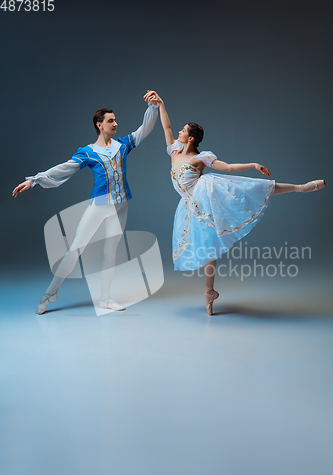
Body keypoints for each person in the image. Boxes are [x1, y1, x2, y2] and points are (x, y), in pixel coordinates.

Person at [144, 90, 326, 315]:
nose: (179, 132)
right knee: (209, 249)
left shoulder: (200, 158)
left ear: (191, 138)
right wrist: (161, 104)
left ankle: (300, 187)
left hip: (206, 194)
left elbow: (228, 167)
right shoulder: (174, 152)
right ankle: (209, 292)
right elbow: (166, 127)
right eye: (181, 130)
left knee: (250, 189)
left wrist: (253, 164)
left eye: (183, 130)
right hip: (190, 206)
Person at [12, 97, 159, 314]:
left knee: (111, 252)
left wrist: (153, 107)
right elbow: (64, 168)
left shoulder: (123, 144)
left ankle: (106, 298)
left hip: (121, 206)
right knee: (75, 249)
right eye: (111, 120)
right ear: (100, 125)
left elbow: (144, 129)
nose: (115, 123)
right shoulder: (88, 152)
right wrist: (34, 180)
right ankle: (49, 294)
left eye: (115, 120)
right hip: (99, 206)